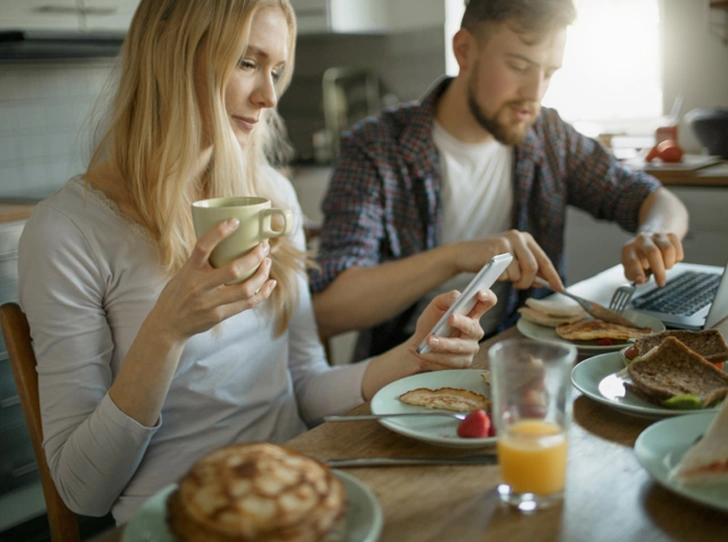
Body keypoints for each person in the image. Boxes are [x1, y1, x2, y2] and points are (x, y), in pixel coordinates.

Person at [17, 0, 496, 525]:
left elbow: (306, 387)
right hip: (183, 518)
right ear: (173, 59)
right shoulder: (70, 228)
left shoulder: (270, 193)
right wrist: (165, 332)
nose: (268, 96)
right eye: (247, 62)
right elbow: (82, 491)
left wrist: (414, 356)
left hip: (298, 489)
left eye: (276, 70)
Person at [309, 0, 689, 360]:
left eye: (549, 72)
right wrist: (456, 256)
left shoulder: (549, 136)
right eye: (520, 66)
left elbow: (653, 198)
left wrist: (655, 231)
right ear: (465, 51)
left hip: (521, 358)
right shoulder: (375, 146)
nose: (534, 93)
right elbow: (329, 310)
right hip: (401, 369)